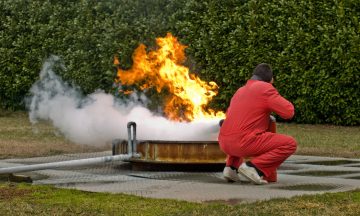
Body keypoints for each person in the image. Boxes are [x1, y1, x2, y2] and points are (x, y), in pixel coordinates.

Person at [218, 63, 297, 184]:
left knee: (241, 127)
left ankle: (231, 168)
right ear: (270, 79)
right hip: (244, 143)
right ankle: (253, 167)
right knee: (290, 143)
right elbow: (288, 112)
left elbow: (229, 116)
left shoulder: (240, 90)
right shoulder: (265, 88)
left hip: (224, 143)